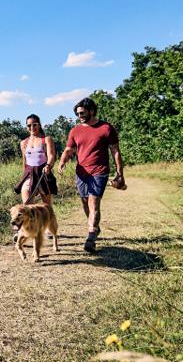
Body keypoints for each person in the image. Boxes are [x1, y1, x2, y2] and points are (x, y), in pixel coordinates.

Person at [57, 97, 124, 253]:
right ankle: (94, 227)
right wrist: (62, 162)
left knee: (94, 201)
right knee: (85, 202)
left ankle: (91, 236)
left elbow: (115, 151)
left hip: (100, 171)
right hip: (81, 172)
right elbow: (68, 149)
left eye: (82, 112)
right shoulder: (75, 130)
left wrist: (120, 172)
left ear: (92, 111)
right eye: (77, 113)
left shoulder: (106, 128)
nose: (79, 115)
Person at [12, 114, 58, 242]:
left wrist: (49, 165)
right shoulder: (24, 142)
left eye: (34, 124)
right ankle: (23, 231)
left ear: (39, 124)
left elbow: (51, 155)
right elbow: (24, 161)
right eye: (29, 125)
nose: (32, 127)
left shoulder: (46, 139)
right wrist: (23, 176)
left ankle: (48, 228)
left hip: (43, 172)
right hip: (29, 174)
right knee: (26, 207)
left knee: (46, 205)